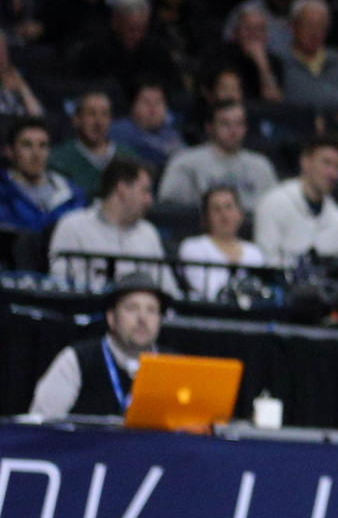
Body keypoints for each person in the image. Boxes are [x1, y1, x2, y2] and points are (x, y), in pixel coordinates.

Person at [28, 273, 167, 418]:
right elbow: (39, 423)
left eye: (151, 310)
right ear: (111, 318)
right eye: (132, 308)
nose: (142, 319)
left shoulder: (175, 365)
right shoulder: (78, 360)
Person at [47, 159, 166, 289]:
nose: (149, 200)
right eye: (145, 191)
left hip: (137, 308)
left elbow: (168, 289)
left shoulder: (148, 232)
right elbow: (61, 285)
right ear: (122, 189)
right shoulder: (73, 226)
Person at [157, 98, 279, 220]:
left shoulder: (261, 166)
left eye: (239, 123)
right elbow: (170, 209)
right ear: (209, 127)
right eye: (225, 123)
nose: (233, 130)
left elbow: (274, 211)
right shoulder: (185, 163)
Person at [254, 137, 338, 267]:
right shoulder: (273, 203)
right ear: (305, 162)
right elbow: (265, 260)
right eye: (326, 163)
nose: (332, 173)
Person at [177, 183, 267, 299]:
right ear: (206, 217)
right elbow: (210, 292)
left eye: (229, 207)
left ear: (240, 214)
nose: (224, 215)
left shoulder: (254, 252)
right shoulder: (193, 247)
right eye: (216, 209)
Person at [0, 119, 80, 232]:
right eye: (27, 145)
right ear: (10, 151)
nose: (36, 154)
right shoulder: (3, 194)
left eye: (42, 145)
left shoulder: (71, 194)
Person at [48, 88, 118, 198]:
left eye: (104, 114)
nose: (98, 122)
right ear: (76, 120)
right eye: (91, 114)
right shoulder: (58, 159)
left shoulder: (128, 157)